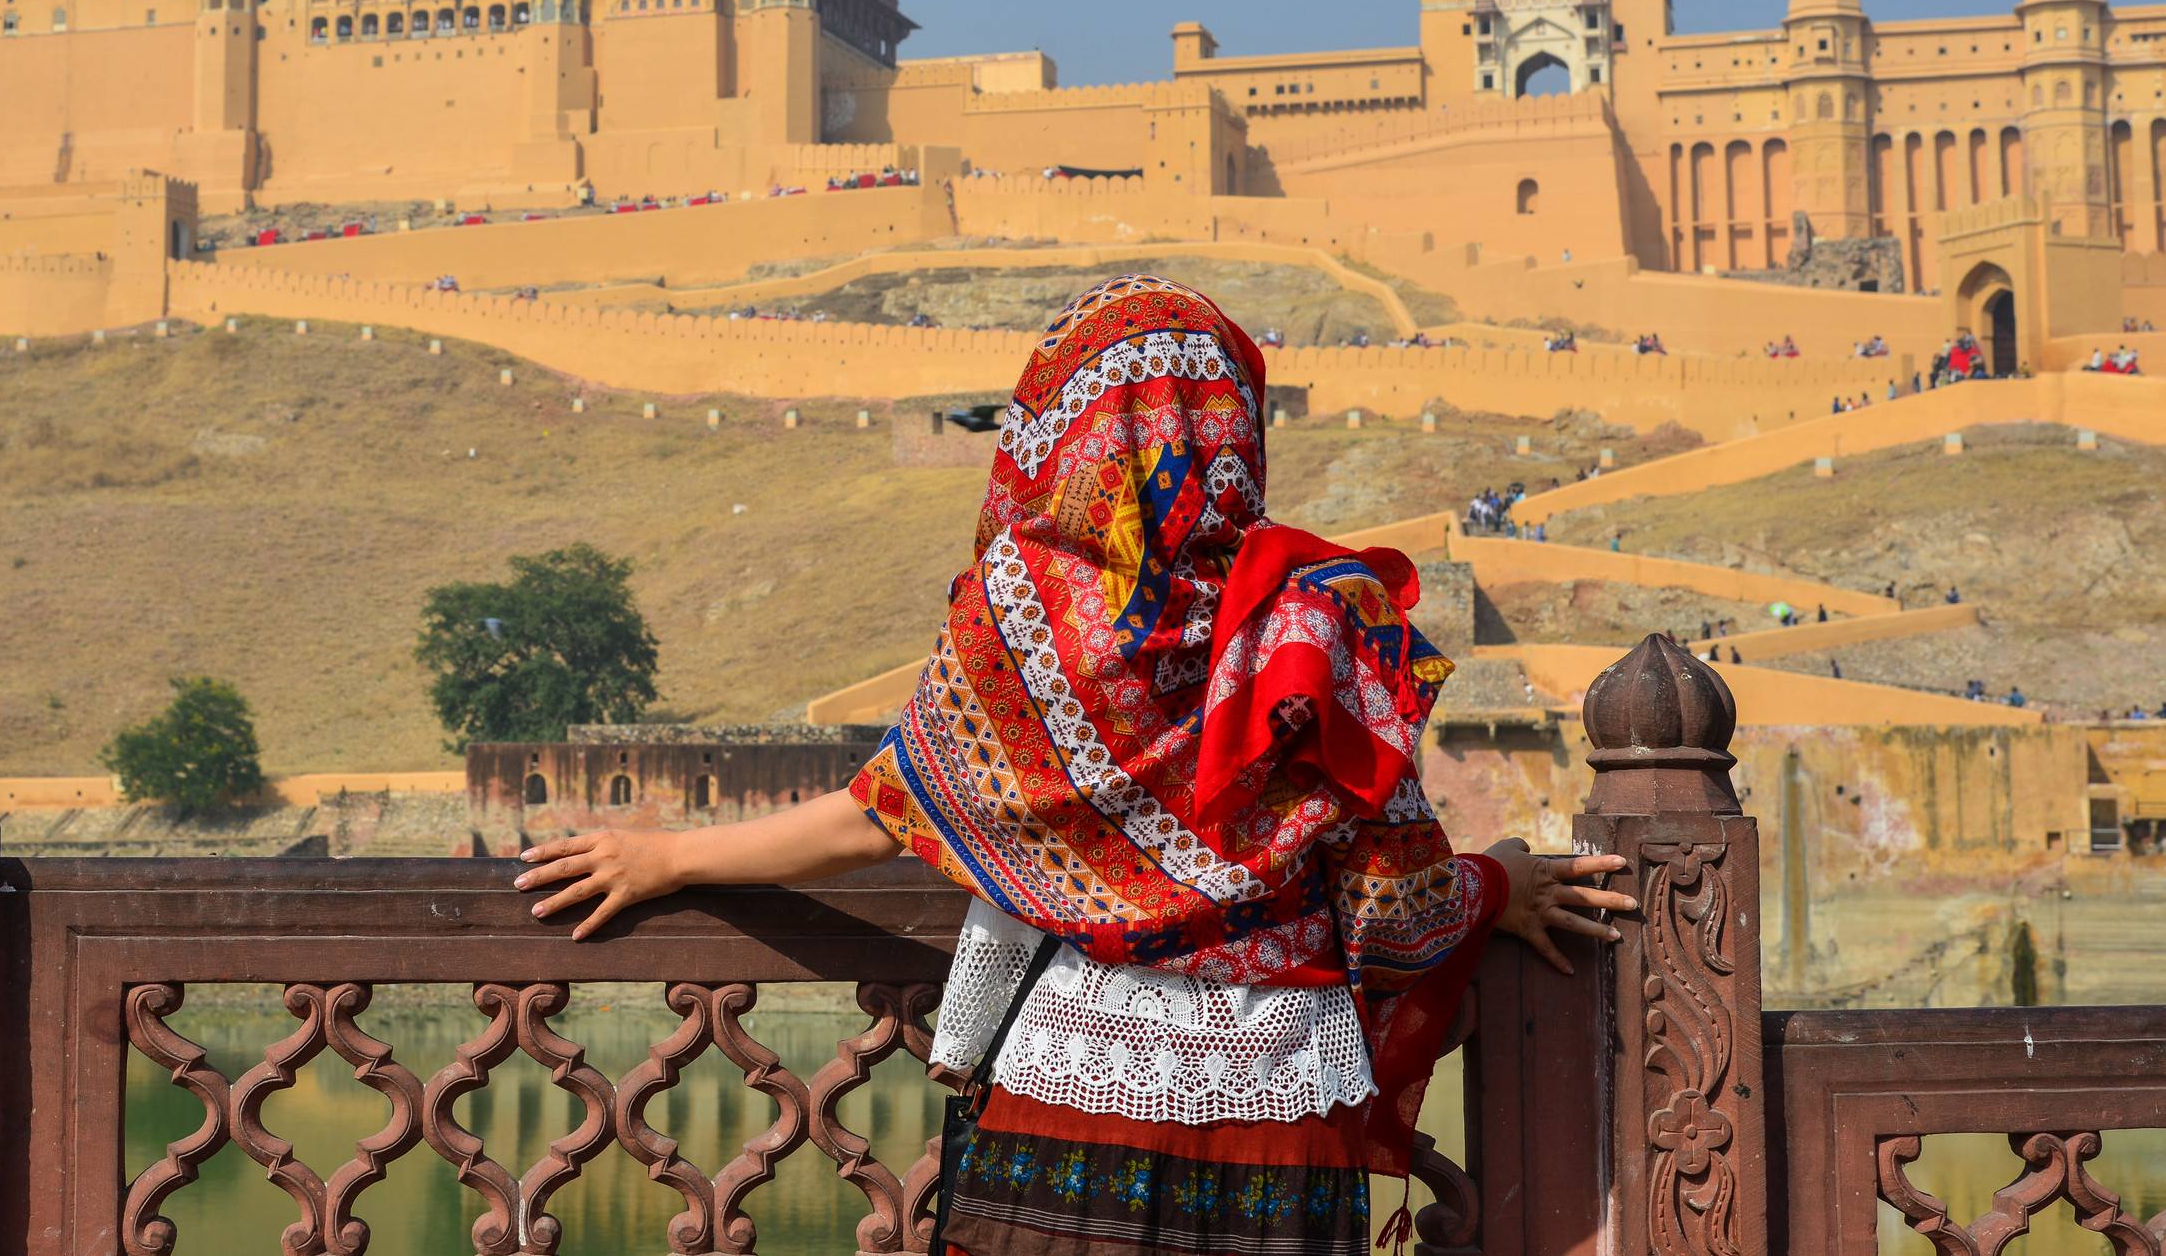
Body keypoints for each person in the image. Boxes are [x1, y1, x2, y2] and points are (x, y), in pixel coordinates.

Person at [514, 277, 1632, 1256]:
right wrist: (1495, 882)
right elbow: (1398, 917)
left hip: (1070, 1083)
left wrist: (666, 855)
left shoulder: (1026, 620)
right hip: (1281, 1107)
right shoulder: (1316, 621)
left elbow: (884, 812)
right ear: (1231, 425)